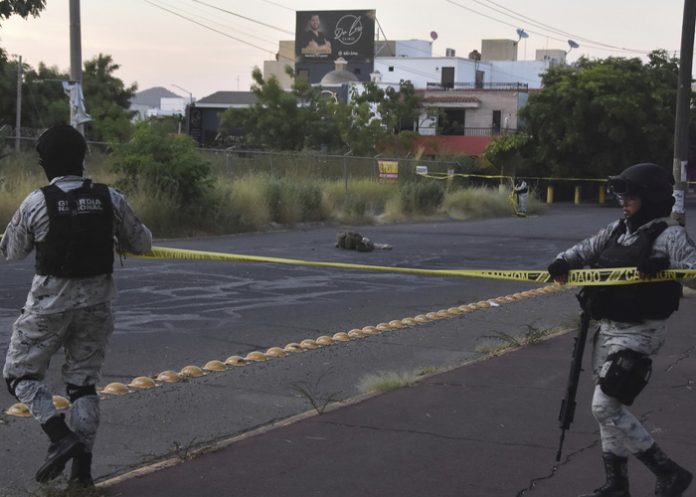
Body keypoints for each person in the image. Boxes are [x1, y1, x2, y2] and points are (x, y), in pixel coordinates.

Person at [1, 124, 152, 488]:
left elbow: (12, 251)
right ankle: (82, 476)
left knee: (19, 376)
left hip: (48, 307)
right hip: (97, 306)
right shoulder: (110, 198)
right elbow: (142, 243)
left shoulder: (36, 202)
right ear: (83, 159)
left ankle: (59, 436)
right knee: (83, 385)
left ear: (44, 164)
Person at [547, 163, 696, 497]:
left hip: (641, 333)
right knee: (608, 411)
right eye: (622, 195)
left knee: (604, 405)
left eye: (631, 196)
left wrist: (666, 267)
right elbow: (584, 250)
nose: (624, 201)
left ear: (652, 198)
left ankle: (668, 472)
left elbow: (694, 274)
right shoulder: (617, 229)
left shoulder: (669, 235)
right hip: (607, 329)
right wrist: (562, 262)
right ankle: (616, 482)